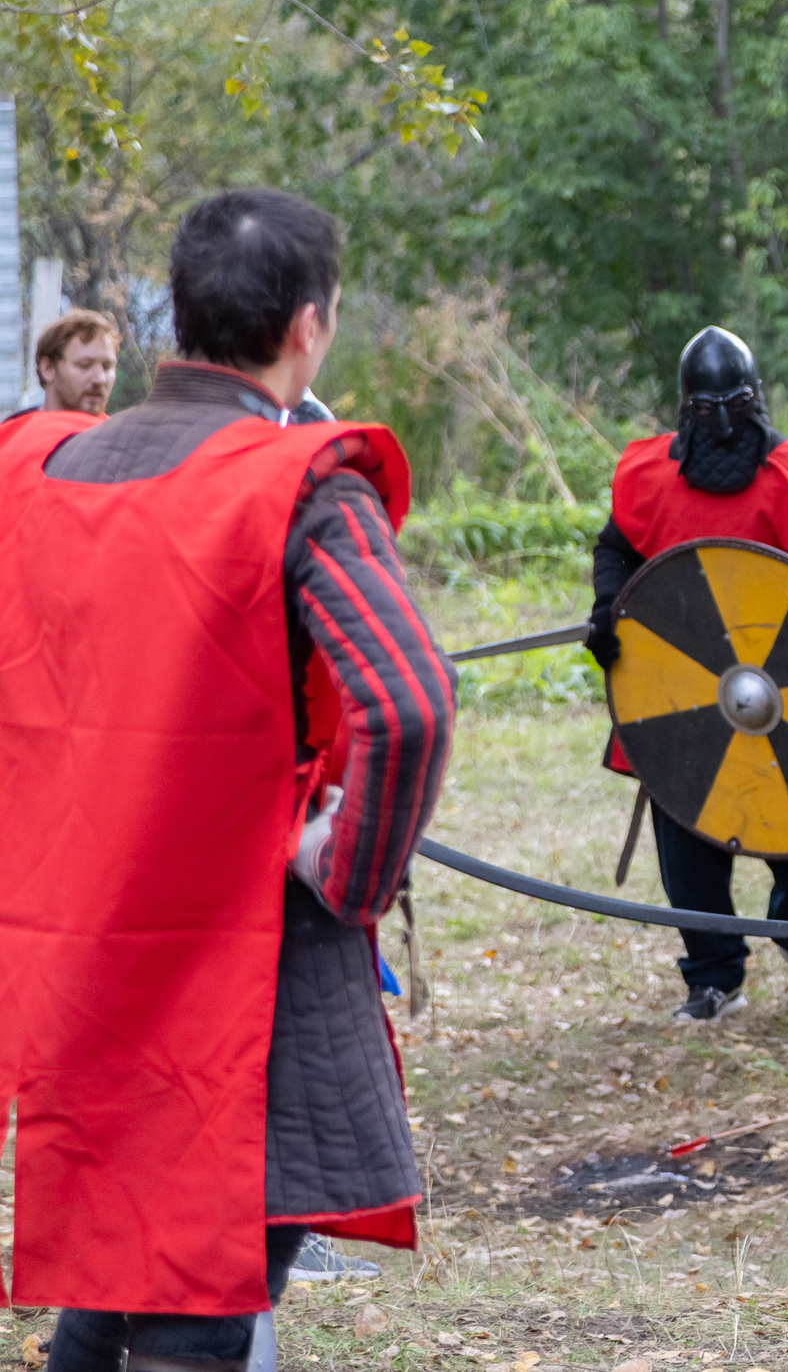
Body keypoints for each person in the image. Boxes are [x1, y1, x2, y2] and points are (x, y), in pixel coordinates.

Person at [0, 188, 451, 1370]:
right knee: (206, 1284)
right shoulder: (297, 485)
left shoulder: (41, 466)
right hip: (244, 967)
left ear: (176, 315)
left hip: (85, 943)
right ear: (308, 327)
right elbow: (407, 703)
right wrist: (347, 875)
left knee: (124, 1245)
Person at [587, 326, 788, 1021]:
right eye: (708, 409)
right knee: (688, 836)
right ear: (686, 408)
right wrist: (609, 611)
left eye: (734, 405)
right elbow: (616, 550)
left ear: (756, 400)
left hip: (779, 688)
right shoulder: (647, 476)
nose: (722, 422)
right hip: (680, 687)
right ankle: (712, 975)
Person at [20, 307, 120, 416]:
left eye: (107, 367)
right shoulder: (13, 431)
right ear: (48, 368)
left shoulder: (122, 432)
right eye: (85, 365)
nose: (100, 379)